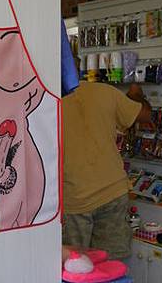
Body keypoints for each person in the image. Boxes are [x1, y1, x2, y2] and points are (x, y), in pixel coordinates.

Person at [62, 81, 152, 264]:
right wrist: (135, 94)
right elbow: (145, 114)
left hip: (73, 197)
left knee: (73, 268)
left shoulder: (45, 98)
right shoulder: (105, 91)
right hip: (112, 192)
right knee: (111, 265)